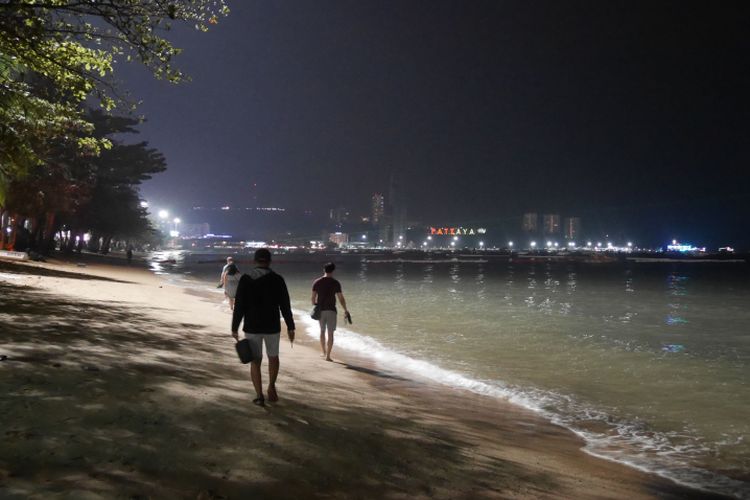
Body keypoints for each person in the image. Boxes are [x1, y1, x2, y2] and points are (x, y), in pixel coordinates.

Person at [231, 248, 295, 406]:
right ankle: (271, 386)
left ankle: (259, 396)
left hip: (252, 326)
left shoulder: (246, 280)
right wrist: (290, 326)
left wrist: (234, 327)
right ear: (269, 261)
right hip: (272, 325)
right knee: (273, 357)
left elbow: (239, 306)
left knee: (255, 361)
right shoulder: (277, 279)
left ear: (254, 261)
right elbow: (285, 306)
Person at [311, 262, 348, 362]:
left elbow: (313, 299)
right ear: (333, 270)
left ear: (324, 269)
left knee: (322, 331)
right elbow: (341, 298)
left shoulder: (317, 282)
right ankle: (328, 356)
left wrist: (315, 305)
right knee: (330, 333)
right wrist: (345, 309)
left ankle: (323, 352)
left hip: (321, 310)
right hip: (331, 310)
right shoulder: (336, 283)